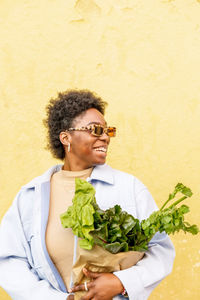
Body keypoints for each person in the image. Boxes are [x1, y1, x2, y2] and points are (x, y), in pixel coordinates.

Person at [0, 89, 175, 300]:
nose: (105, 137)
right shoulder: (30, 196)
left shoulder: (129, 187)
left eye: (107, 131)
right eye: (96, 130)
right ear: (66, 137)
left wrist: (122, 282)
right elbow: (9, 261)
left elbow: (160, 250)